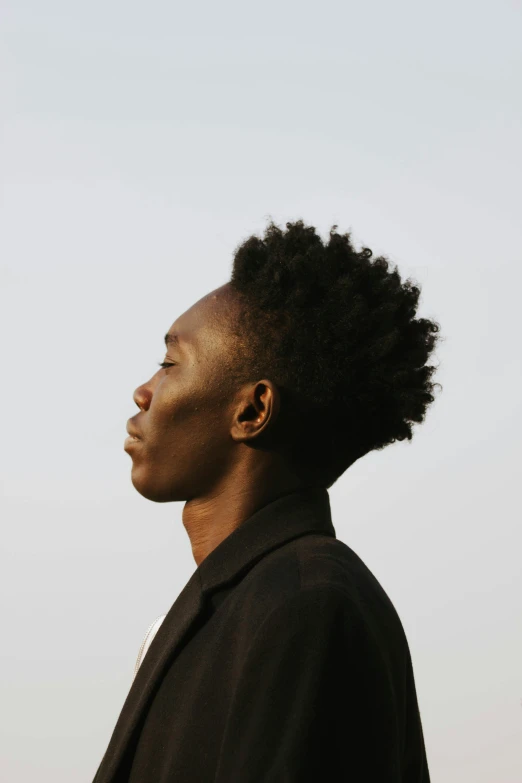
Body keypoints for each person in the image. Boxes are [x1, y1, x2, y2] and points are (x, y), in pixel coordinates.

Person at [93, 219, 440, 782]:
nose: (144, 392)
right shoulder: (253, 601)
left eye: (169, 363)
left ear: (252, 411)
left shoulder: (307, 607)